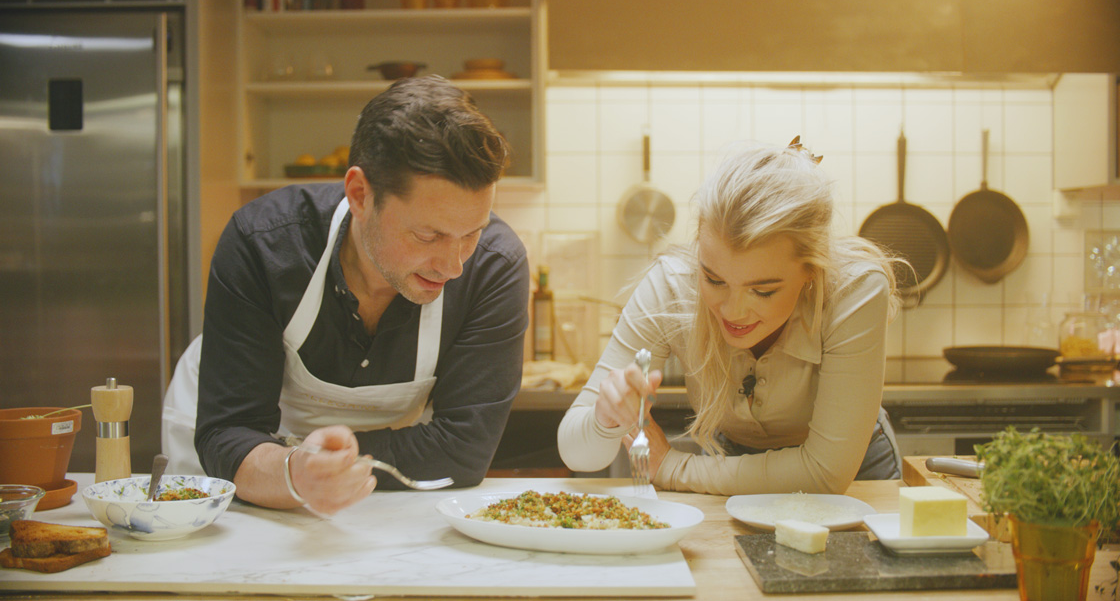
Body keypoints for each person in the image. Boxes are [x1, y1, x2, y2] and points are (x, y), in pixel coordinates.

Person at [162, 75, 530, 514]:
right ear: (359, 194)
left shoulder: (494, 266)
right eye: (428, 235)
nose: (454, 266)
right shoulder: (262, 244)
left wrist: (326, 465)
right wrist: (292, 470)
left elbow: (464, 449)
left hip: (373, 492)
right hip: (243, 481)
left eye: (472, 233)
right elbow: (230, 432)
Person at [557, 137, 904, 496]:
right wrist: (604, 420)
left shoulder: (854, 290)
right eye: (714, 279)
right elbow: (576, 454)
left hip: (858, 481)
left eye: (763, 290)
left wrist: (672, 467)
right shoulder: (673, 284)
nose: (733, 311)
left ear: (811, 271)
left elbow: (824, 475)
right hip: (728, 466)